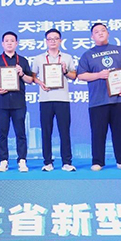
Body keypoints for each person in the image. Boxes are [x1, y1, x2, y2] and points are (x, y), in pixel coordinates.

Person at [77, 23, 121, 171]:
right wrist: (98, 75)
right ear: (92, 37)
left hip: (119, 98)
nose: (100, 33)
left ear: (108, 33)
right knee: (98, 132)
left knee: (120, 131)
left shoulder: (120, 50)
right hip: (98, 100)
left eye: (103, 30)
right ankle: (98, 162)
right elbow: (81, 75)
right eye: (96, 32)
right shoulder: (88, 54)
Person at [31, 29, 77, 172]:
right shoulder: (38, 58)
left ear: (60, 41)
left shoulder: (67, 57)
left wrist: (65, 71)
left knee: (64, 131)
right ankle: (47, 162)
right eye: (50, 39)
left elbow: (74, 75)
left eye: (56, 38)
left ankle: (67, 162)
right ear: (46, 41)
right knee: (46, 132)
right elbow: (33, 76)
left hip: (62, 99)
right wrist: (40, 83)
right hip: (45, 99)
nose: (53, 41)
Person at [0, 31, 33, 173]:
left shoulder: (23, 60)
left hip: (18, 102)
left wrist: (22, 73)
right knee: (2, 133)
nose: (9, 43)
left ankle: (22, 160)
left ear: (16, 43)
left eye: (12, 41)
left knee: (20, 132)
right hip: (1, 102)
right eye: (6, 41)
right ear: (2, 43)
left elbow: (30, 80)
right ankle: (3, 160)